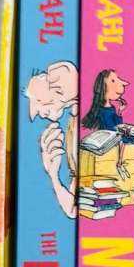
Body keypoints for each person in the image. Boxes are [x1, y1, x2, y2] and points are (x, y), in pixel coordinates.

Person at [24, 59, 78, 218]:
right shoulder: (72, 125)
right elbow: (72, 209)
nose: (37, 114)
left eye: (40, 101)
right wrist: (53, 174)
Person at [81, 68, 134, 178]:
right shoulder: (101, 110)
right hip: (109, 138)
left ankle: (121, 163)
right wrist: (121, 127)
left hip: (115, 135)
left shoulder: (111, 107)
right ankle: (119, 163)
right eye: (113, 81)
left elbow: (117, 125)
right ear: (103, 87)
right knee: (125, 139)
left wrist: (119, 112)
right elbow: (112, 128)